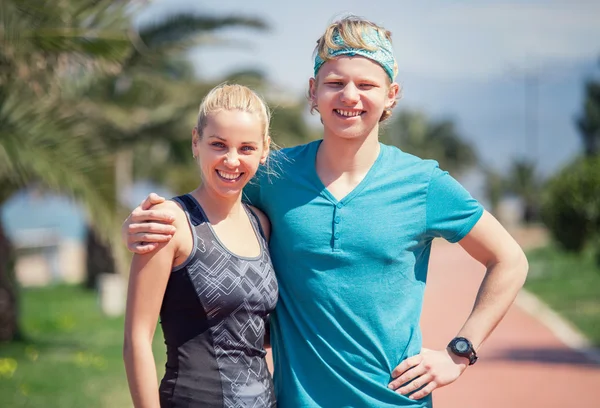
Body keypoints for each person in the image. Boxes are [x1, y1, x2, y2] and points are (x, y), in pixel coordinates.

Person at [122, 16, 528, 408]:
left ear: (392, 95)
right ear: (313, 91)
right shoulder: (273, 176)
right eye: (335, 83)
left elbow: (509, 259)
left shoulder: (423, 184)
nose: (350, 96)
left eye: (366, 84)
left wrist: (459, 352)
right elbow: (211, 205)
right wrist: (144, 225)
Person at [122, 84, 278, 408]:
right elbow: (137, 340)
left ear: (264, 150)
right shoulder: (170, 223)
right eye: (218, 144)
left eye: (246, 148)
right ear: (196, 142)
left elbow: (261, 340)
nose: (231, 160)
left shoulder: (262, 224)